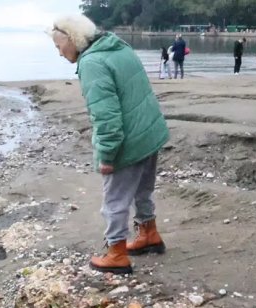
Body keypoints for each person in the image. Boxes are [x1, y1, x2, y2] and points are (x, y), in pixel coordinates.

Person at [49, 15, 170, 273]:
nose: (59, 53)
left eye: (59, 46)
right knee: (142, 190)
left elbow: (106, 118)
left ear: (72, 39)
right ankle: (149, 234)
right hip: (150, 132)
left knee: (114, 199)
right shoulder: (117, 46)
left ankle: (116, 253)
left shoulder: (92, 62)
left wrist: (107, 156)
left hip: (130, 140)